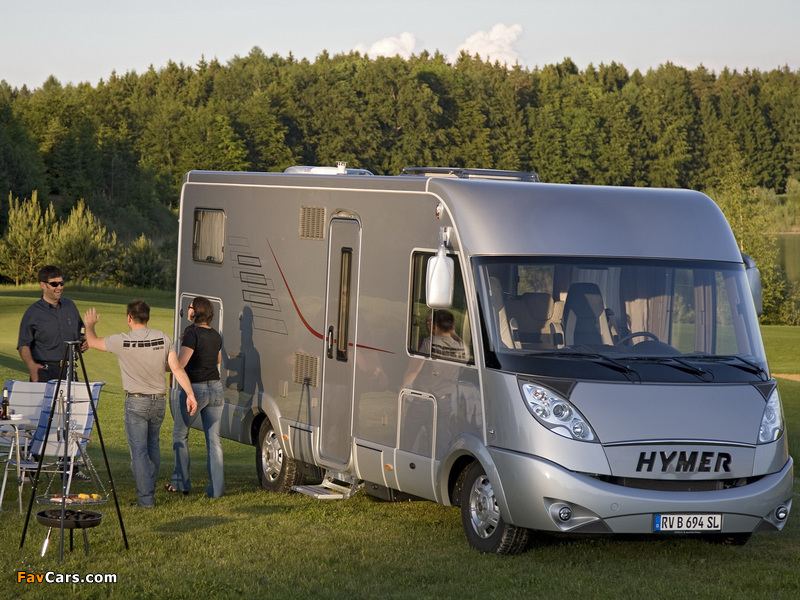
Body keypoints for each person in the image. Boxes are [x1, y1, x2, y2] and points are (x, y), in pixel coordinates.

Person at [83, 299, 198, 508]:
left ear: (129, 318)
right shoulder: (163, 338)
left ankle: (145, 500)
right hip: (159, 402)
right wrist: (190, 393)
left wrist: (89, 324)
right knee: (153, 446)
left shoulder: (121, 340)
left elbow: (91, 341)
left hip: (136, 403)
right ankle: (148, 491)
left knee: (139, 452)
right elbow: (176, 369)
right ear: (148, 317)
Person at [167, 296, 225, 498]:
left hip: (196, 389)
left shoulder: (192, 334)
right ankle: (216, 490)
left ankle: (181, 483)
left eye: (190, 306)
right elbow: (217, 360)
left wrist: (163, 365)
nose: (188, 309)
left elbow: (180, 364)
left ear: (196, 311)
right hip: (216, 388)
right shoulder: (216, 335)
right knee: (214, 441)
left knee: (180, 434)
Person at [17, 265, 88, 382]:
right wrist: (31, 365)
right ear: (43, 285)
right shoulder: (33, 312)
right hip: (44, 372)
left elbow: (81, 331)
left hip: (69, 371)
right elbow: (23, 345)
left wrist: (84, 342)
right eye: (54, 284)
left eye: (61, 283)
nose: (59, 287)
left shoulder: (70, 306)